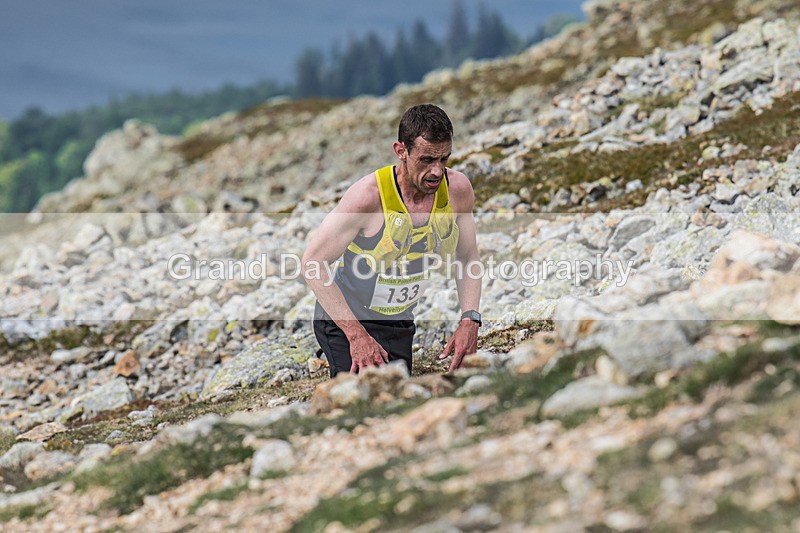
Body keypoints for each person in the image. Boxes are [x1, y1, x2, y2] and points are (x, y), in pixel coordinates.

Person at [301, 104, 481, 378]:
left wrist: (470, 319)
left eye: (444, 159)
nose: (436, 171)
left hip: (398, 323)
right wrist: (356, 335)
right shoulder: (368, 197)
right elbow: (313, 263)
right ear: (401, 151)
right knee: (362, 402)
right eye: (426, 160)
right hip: (347, 320)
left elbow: (467, 258)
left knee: (399, 402)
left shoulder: (457, 190)